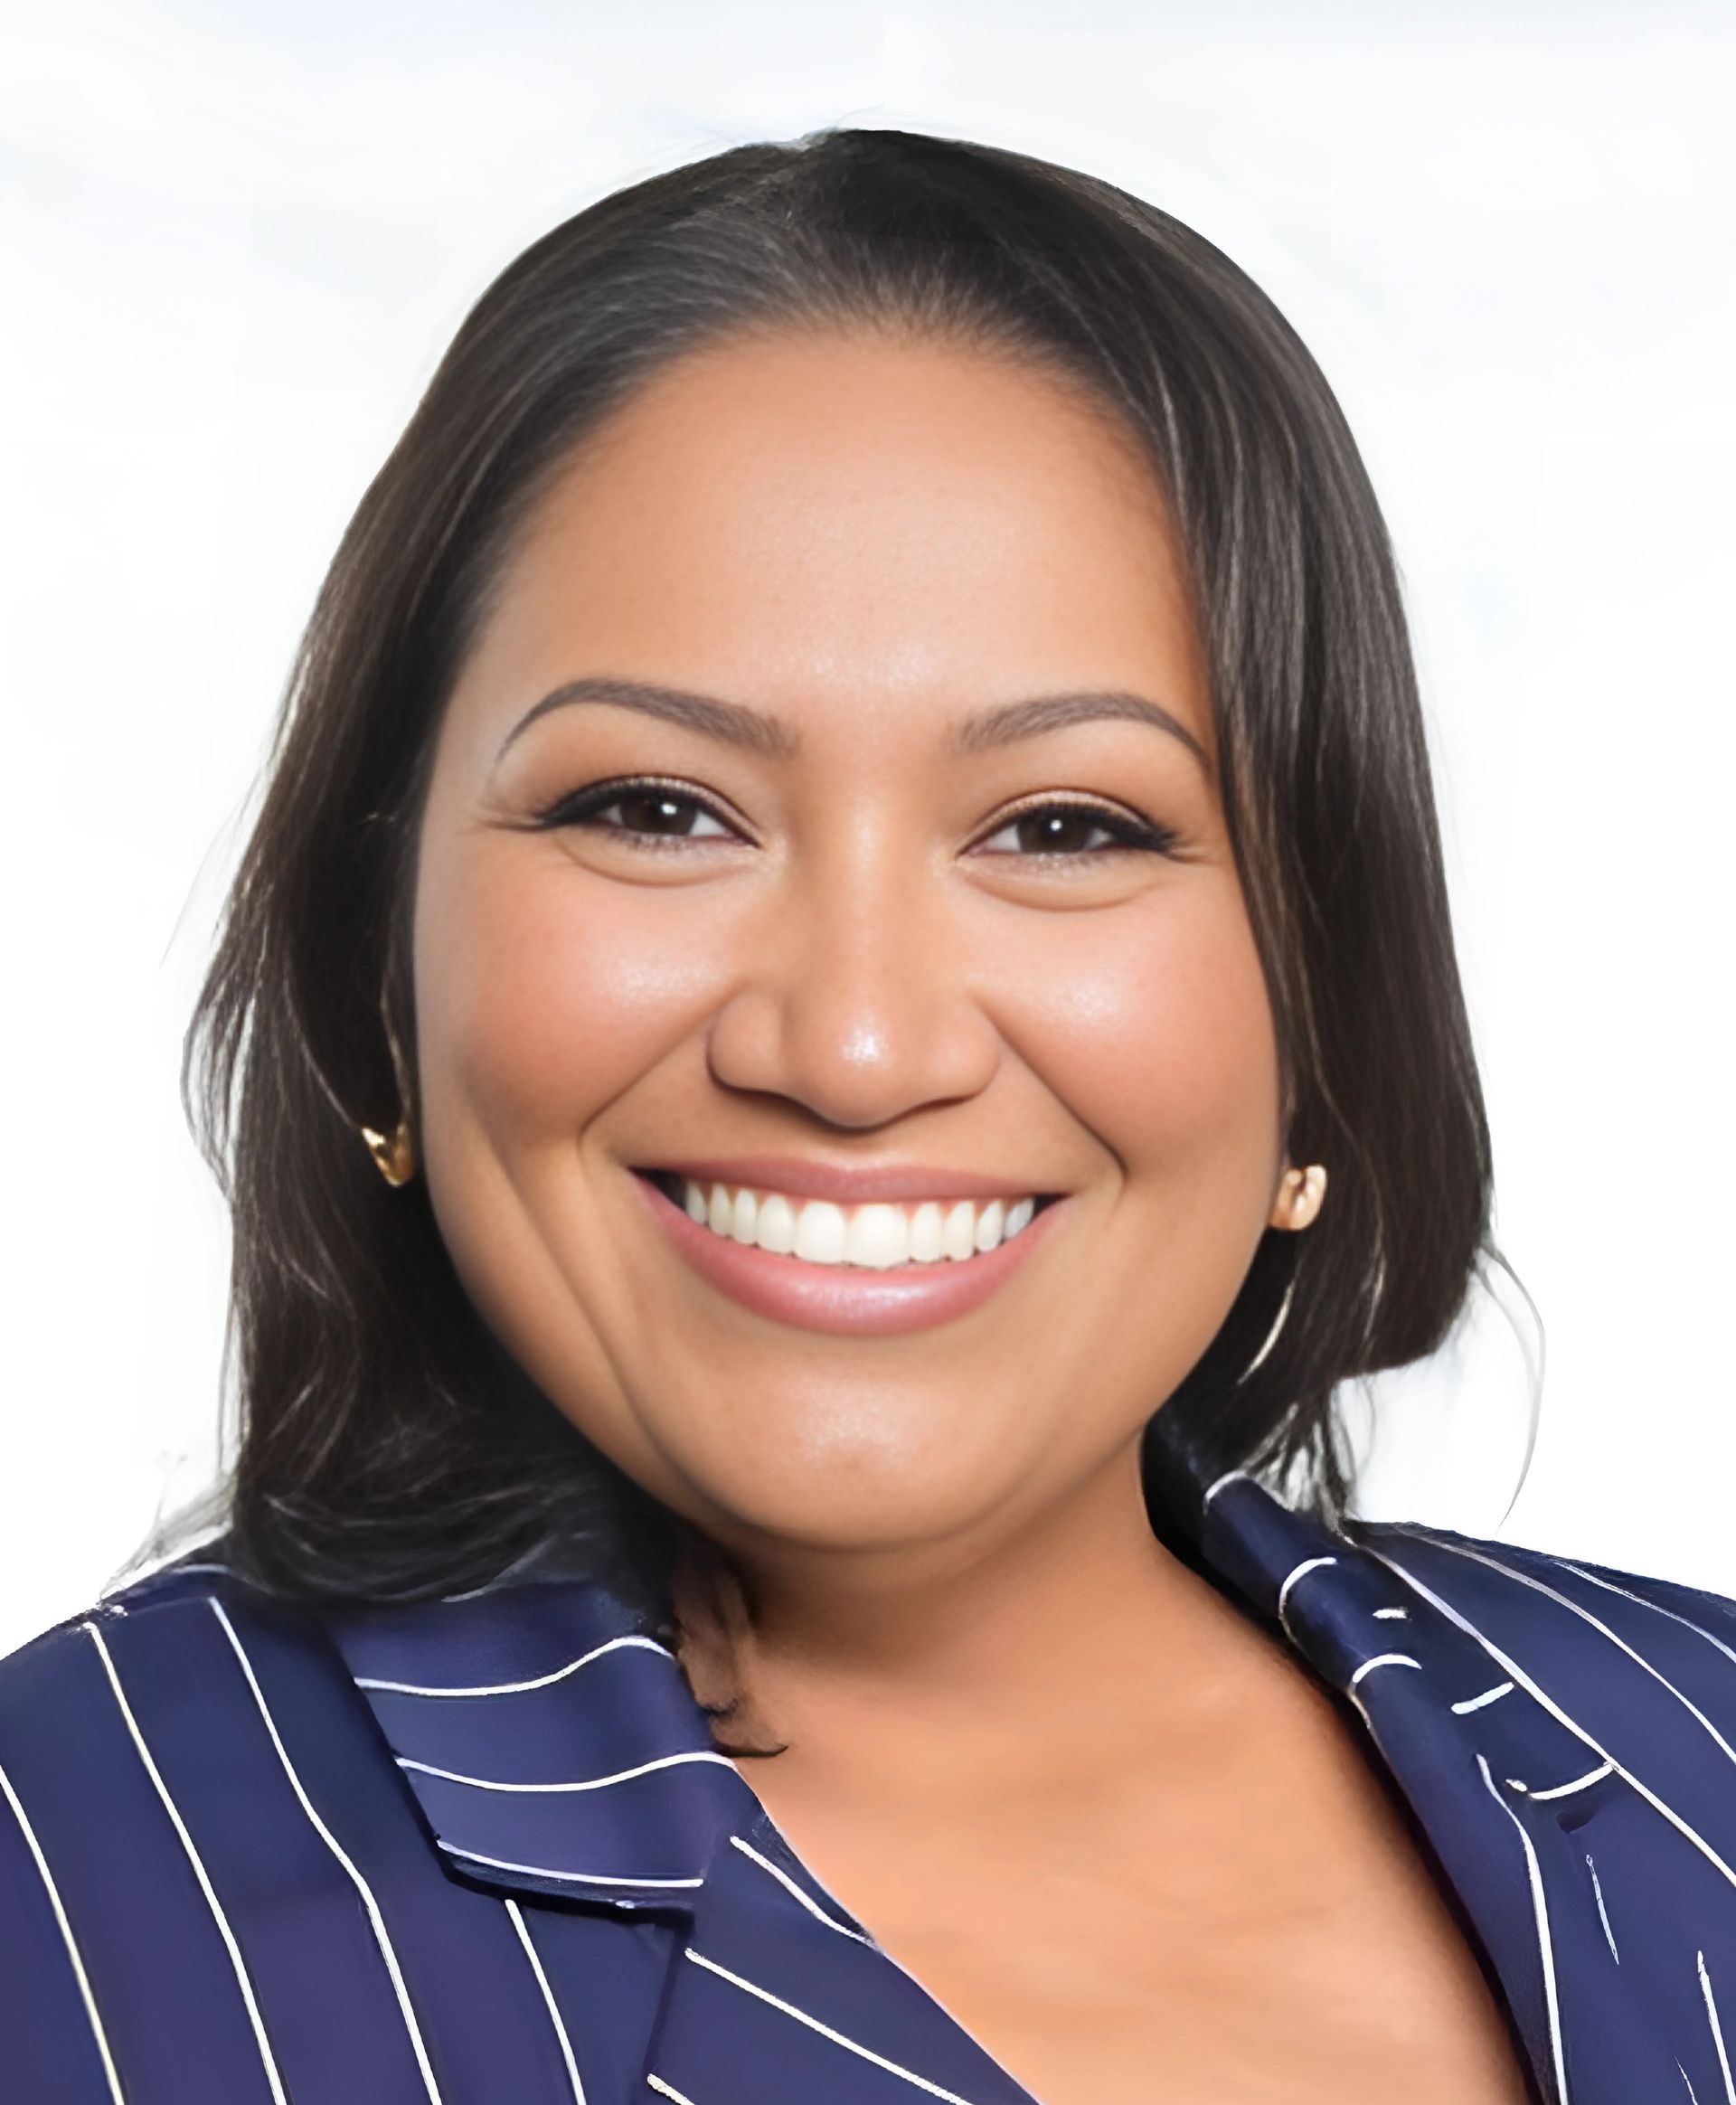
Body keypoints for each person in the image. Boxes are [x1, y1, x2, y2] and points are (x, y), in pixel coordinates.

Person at [2, 124, 1732, 2105]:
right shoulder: (66, 1897)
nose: (850, 1046)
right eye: (655, 811)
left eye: (1068, 827)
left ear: (1317, 1024)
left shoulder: (1706, 1748)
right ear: (378, 981)